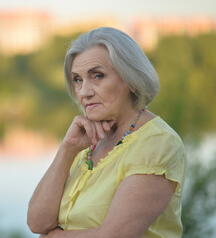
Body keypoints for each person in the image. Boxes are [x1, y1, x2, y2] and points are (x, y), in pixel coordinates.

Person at [27, 27, 186, 238]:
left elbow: (114, 236)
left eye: (98, 76)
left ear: (130, 79)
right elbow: (37, 223)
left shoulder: (157, 143)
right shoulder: (88, 143)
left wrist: (54, 236)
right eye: (78, 80)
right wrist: (68, 149)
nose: (85, 92)